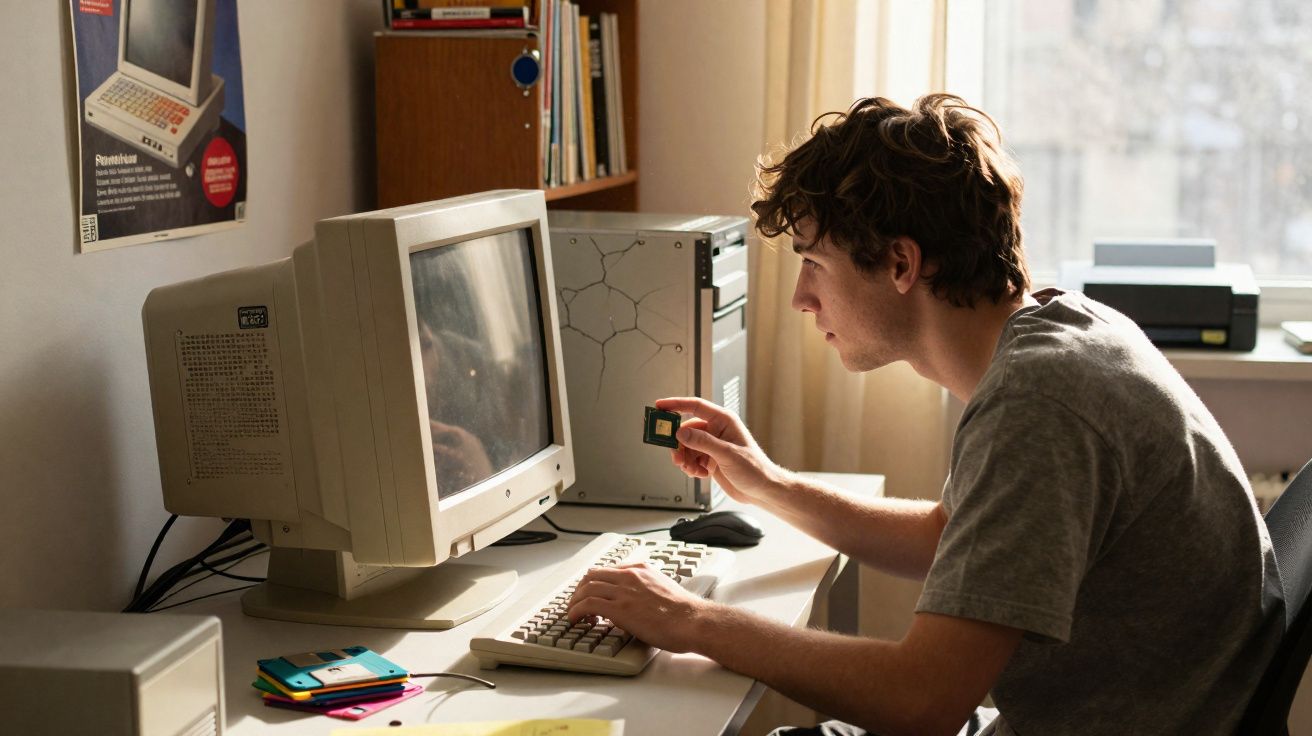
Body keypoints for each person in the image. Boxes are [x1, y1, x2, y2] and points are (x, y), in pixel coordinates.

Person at [566, 94, 1284, 736]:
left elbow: (923, 702)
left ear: (901, 265)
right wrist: (766, 484)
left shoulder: (1040, 404)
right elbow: (957, 539)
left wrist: (689, 620)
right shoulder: (1071, 331)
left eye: (814, 263)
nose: (800, 300)